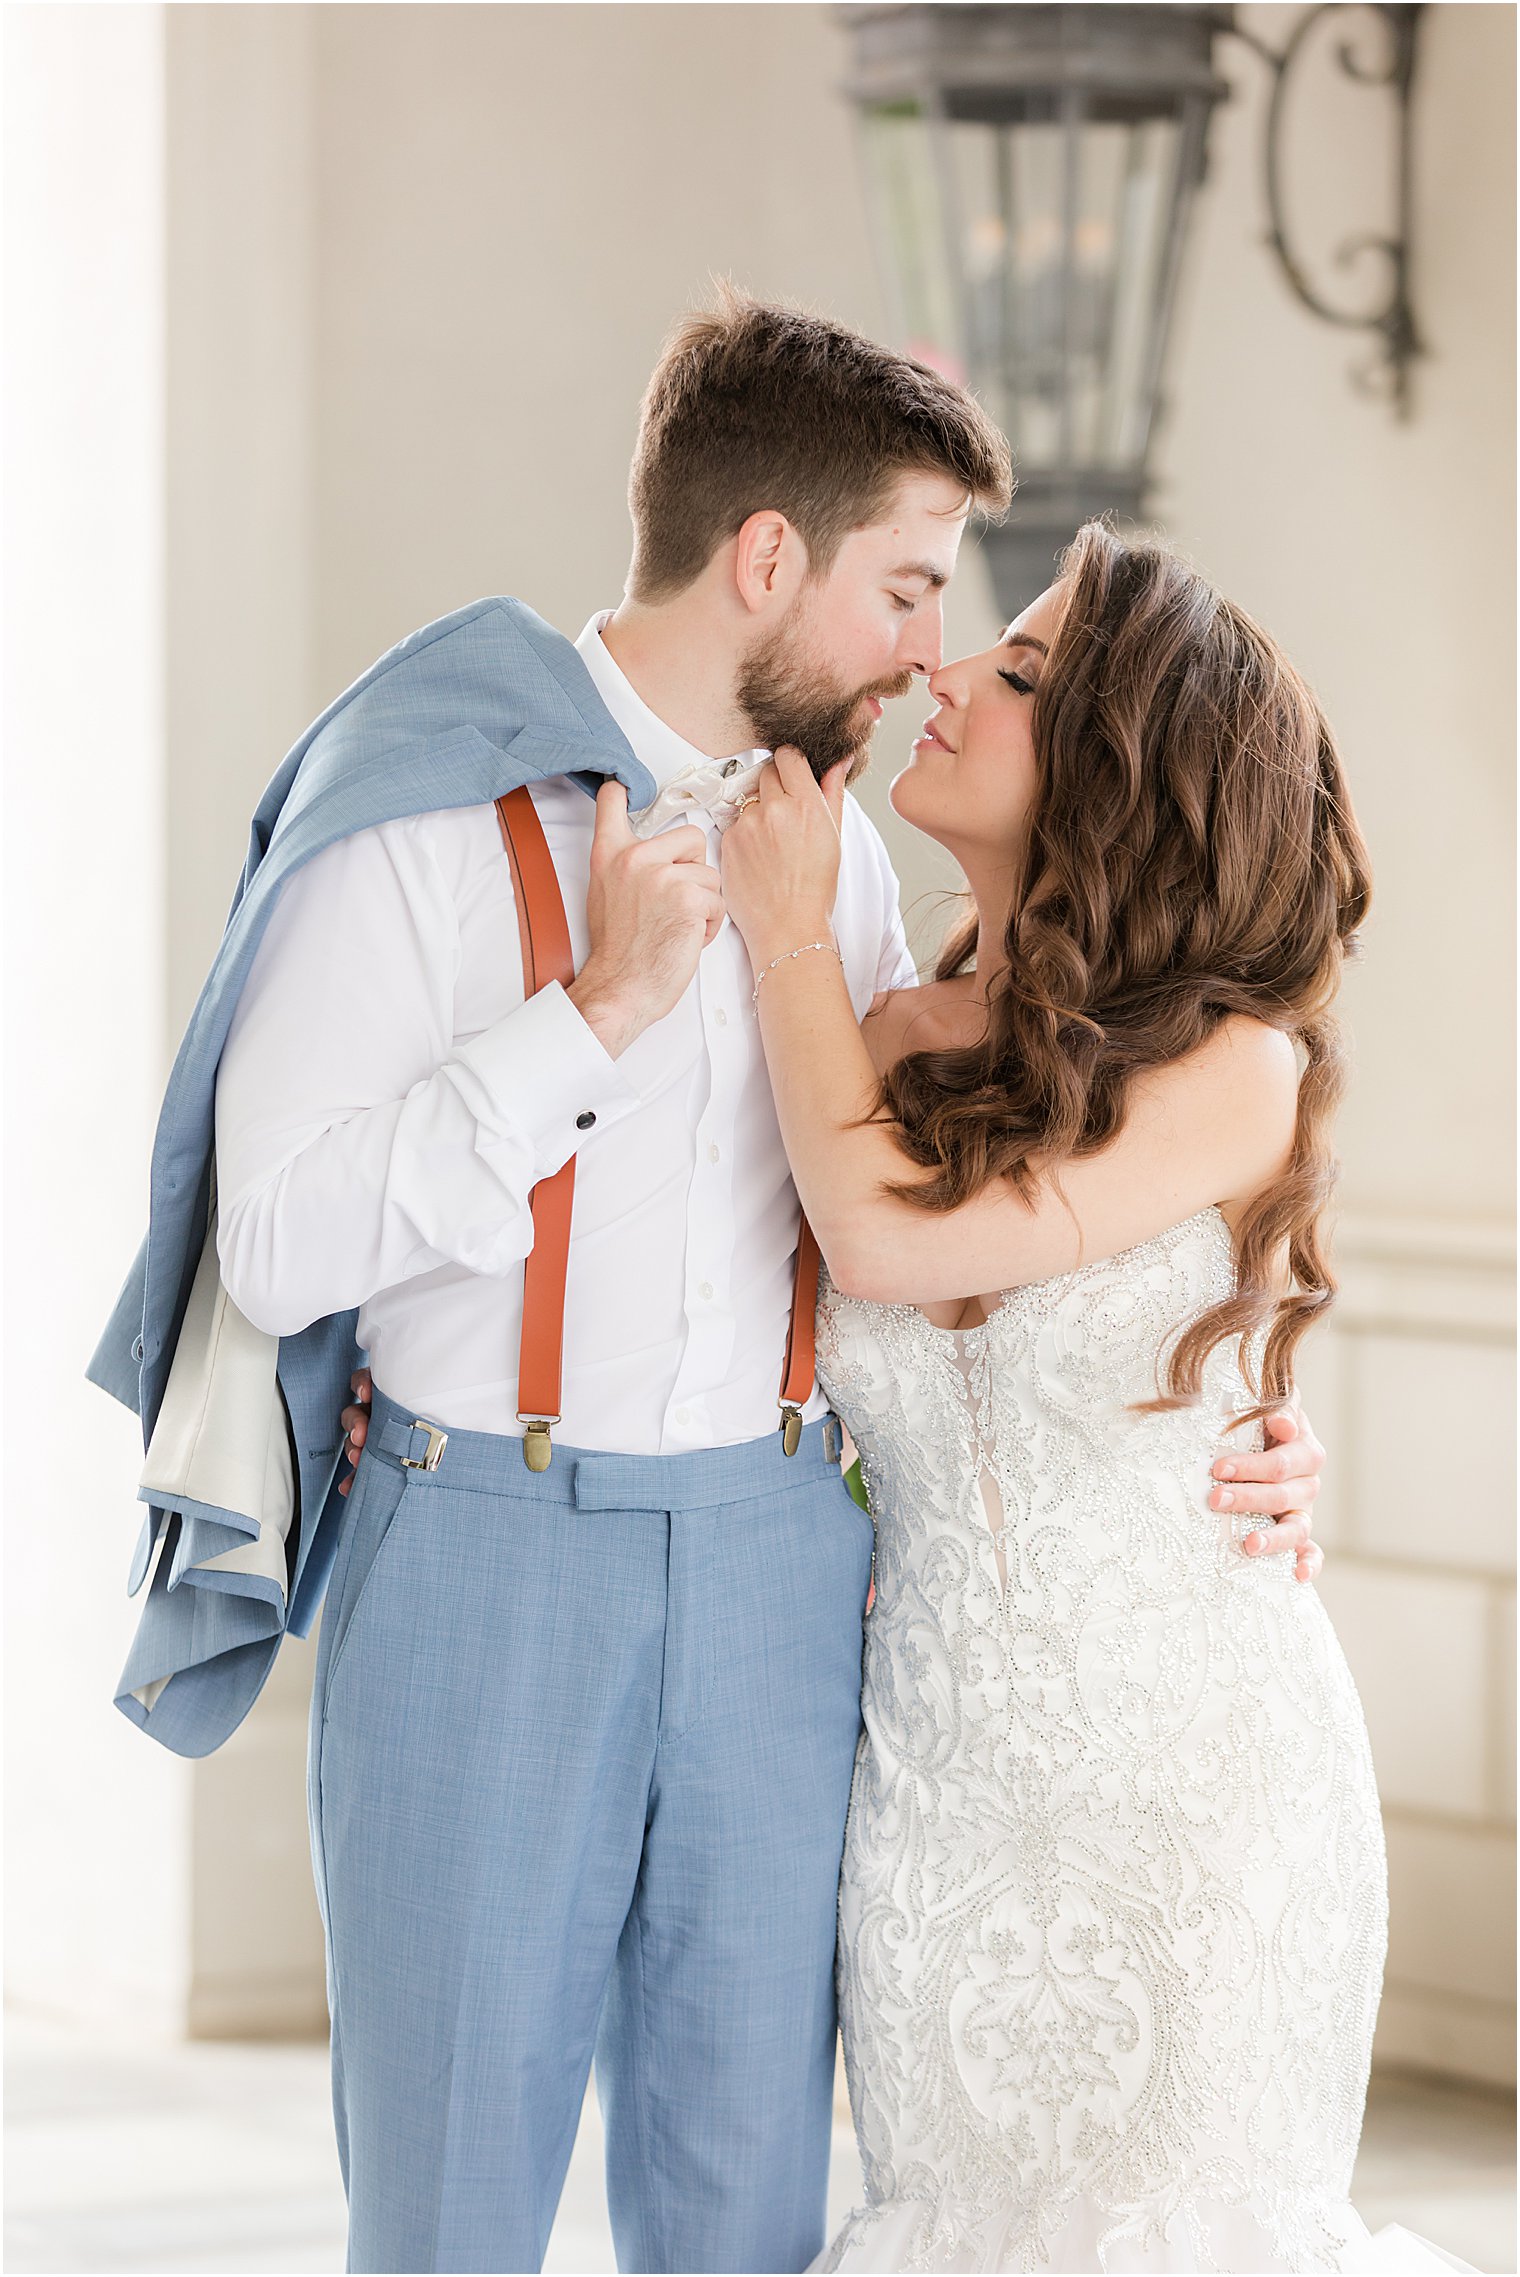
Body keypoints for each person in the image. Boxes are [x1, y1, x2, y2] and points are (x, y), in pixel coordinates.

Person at [124, 294, 1326, 2277]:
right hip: (482, 1539)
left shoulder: (848, 871)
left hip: (791, 1569)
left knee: (748, 2208)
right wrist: (587, 1014)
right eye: (909, 588)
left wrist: (1245, 1426)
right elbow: (269, 1242)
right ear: (766, 559)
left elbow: (1014, 1227)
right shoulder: (413, 810)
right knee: (447, 2205)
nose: (931, 656)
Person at [716, 521, 1470, 2276]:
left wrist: (784, 949)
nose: (945, 677)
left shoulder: (1236, 1065)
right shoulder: (889, 1040)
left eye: (1026, 673)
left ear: (1130, 775)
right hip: (940, 1807)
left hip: (1203, 1797)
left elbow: (892, 1251)